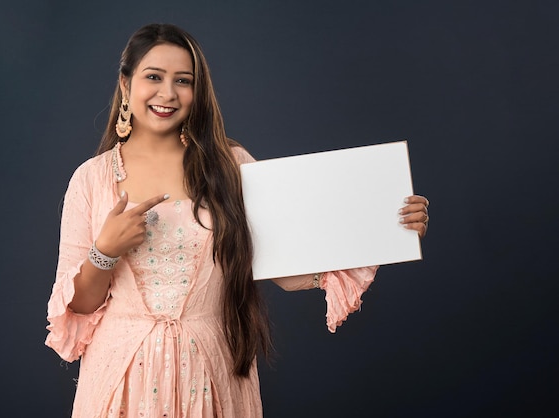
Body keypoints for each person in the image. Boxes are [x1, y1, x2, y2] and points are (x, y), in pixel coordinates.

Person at [45, 23, 430, 418]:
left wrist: (389, 220)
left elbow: (287, 264)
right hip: (121, 377)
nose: (167, 93)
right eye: (153, 77)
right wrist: (105, 251)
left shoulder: (231, 166)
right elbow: (78, 303)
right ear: (126, 85)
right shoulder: (91, 179)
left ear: (198, 92)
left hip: (212, 370)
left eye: (183, 80)